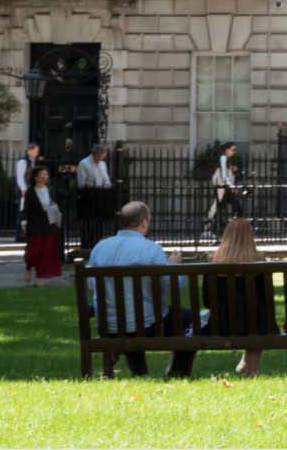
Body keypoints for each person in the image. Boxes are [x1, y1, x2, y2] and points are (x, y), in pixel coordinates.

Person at [83, 201, 178, 377]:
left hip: (108, 325)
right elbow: (172, 286)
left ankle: (139, 372)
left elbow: (91, 284)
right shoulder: (151, 249)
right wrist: (172, 266)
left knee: (135, 316)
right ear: (144, 222)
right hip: (147, 326)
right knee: (186, 320)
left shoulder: (100, 247)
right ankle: (178, 372)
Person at [196, 218, 272, 379]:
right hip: (256, 325)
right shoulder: (260, 261)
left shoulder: (213, 261)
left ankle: (247, 368)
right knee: (259, 319)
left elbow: (208, 301)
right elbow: (266, 298)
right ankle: (249, 369)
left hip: (221, 324)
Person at [22, 165, 64, 285]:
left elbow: (54, 204)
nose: (45, 177)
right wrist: (24, 223)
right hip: (35, 225)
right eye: (42, 175)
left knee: (46, 252)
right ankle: (29, 267)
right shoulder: (30, 192)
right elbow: (26, 209)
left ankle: (39, 278)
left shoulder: (50, 190)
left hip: (49, 225)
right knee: (34, 251)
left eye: (46, 175)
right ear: (36, 177)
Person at [75, 143, 115, 247]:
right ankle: (87, 245)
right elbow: (81, 183)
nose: (103, 158)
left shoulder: (102, 164)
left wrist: (107, 185)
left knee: (100, 224)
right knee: (89, 225)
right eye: (102, 155)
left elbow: (106, 180)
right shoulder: (83, 163)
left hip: (101, 198)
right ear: (96, 153)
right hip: (88, 199)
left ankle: (97, 243)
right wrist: (93, 186)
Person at [207, 142, 244, 235]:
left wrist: (232, 169)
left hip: (224, 186)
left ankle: (229, 227)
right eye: (233, 149)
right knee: (217, 205)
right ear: (227, 150)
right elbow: (224, 175)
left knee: (222, 205)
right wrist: (231, 185)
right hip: (221, 185)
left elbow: (226, 173)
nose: (234, 152)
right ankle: (207, 228)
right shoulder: (223, 158)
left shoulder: (226, 159)